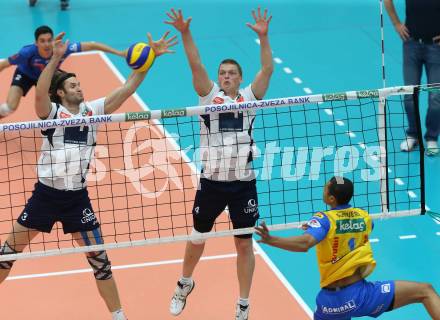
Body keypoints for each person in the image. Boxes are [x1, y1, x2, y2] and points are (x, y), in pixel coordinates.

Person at [0, 31, 176, 320]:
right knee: (6, 254)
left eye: (79, 84)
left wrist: (149, 59)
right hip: (45, 196)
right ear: (61, 92)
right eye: (73, 85)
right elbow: (40, 94)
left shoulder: (93, 111)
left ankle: (119, 315)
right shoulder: (52, 113)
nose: (79, 88)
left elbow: (127, 88)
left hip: (77, 200)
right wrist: (55, 57)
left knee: (101, 262)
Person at [165, 7, 273, 320]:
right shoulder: (207, 95)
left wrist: (264, 38)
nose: (225, 76)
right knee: (197, 237)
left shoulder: (250, 97)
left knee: (243, 245)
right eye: (222, 72)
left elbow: (267, 70)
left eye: (231, 73)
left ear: (239, 79)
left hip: (243, 184)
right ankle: (184, 283)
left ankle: (243, 304)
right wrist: (185, 32)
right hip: (211, 182)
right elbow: (195, 63)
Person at [255, 176, 440, 320]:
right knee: (426, 291)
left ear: (331, 198)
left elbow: (305, 244)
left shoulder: (324, 218)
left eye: (325, 188)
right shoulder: (364, 217)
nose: (324, 188)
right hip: (363, 297)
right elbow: (355, 228)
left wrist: (271, 239)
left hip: (331, 304)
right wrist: (320, 229)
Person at [0, 25, 126, 119]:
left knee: (64, 95)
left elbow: (92, 45)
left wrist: (118, 53)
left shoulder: (63, 49)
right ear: (36, 43)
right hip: (25, 75)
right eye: (42, 41)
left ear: (53, 40)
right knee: (9, 108)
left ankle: (69, 122)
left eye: (49, 40)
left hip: (49, 75)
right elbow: (4, 64)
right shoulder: (26, 52)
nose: (47, 44)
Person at [384, 0, 440, 156]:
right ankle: (413, 134)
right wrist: (396, 23)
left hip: (436, 48)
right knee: (409, 95)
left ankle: (432, 137)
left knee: (436, 96)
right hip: (411, 45)